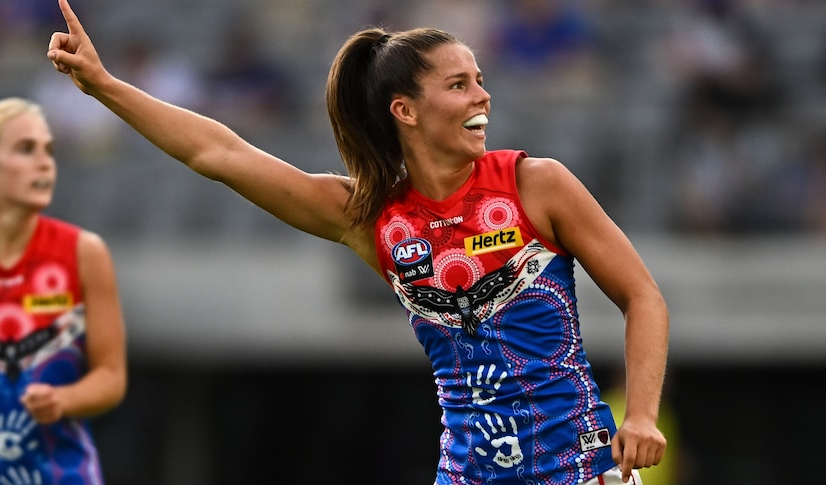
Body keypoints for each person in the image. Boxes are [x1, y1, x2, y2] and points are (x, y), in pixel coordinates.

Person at [46, 0, 669, 482]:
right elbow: (220, 153)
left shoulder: (539, 184)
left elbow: (642, 296)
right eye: (458, 84)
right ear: (406, 111)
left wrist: (641, 412)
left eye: (479, 79)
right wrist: (105, 86)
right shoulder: (370, 218)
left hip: (580, 472)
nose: (482, 95)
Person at [0, 97, 127, 484]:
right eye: (26, 149)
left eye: (49, 151)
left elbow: (111, 376)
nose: (45, 163)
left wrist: (63, 400)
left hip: (60, 473)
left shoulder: (84, 252)